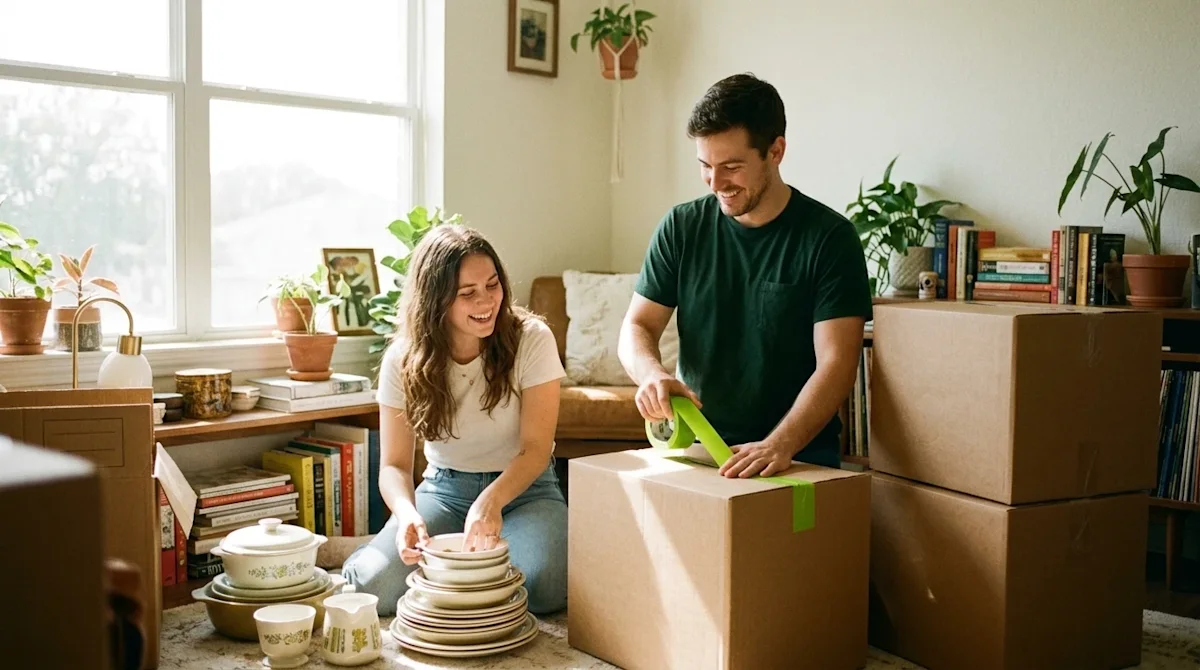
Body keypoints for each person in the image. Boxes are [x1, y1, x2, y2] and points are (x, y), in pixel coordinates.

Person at [618, 73, 873, 478]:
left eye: (732, 167)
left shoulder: (829, 239)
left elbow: (837, 362)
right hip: (697, 450)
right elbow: (638, 324)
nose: (716, 183)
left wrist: (780, 443)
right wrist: (651, 374)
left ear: (776, 151)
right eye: (705, 166)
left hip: (797, 456)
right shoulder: (681, 227)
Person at [340, 224, 568, 616]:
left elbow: (536, 449)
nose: (486, 301)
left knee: (541, 587)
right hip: (443, 492)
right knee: (374, 585)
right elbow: (393, 466)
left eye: (492, 285)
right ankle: (369, 548)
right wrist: (407, 514)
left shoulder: (532, 338)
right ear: (435, 300)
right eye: (467, 293)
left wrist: (491, 501)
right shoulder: (403, 357)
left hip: (526, 491)